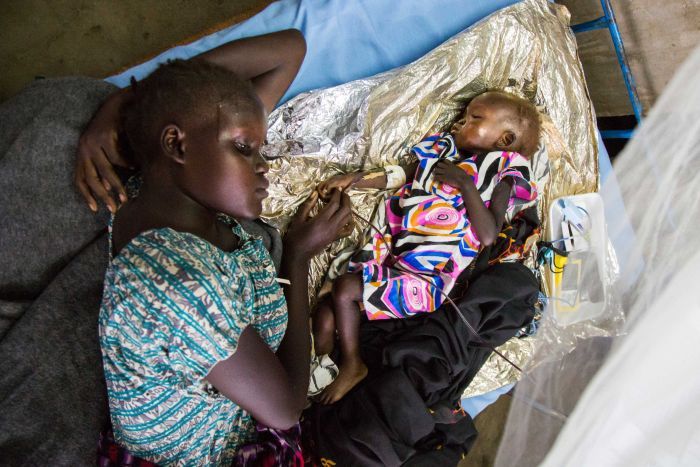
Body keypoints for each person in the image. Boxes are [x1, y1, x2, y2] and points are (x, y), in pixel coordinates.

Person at [92, 31, 353, 465]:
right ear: (176, 144)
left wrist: (128, 101)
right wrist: (298, 255)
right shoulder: (182, 287)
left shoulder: (172, 199)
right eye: (245, 148)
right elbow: (287, 409)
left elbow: (290, 49)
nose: (263, 165)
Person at [312, 90, 541, 404]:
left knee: (344, 290)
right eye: (464, 116)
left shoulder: (503, 171)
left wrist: (465, 184)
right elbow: (403, 175)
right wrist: (354, 179)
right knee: (325, 314)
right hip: (395, 255)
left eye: (475, 118)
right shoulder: (442, 152)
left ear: (504, 140)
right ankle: (324, 368)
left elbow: (488, 233)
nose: (461, 122)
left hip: (427, 279)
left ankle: (353, 363)